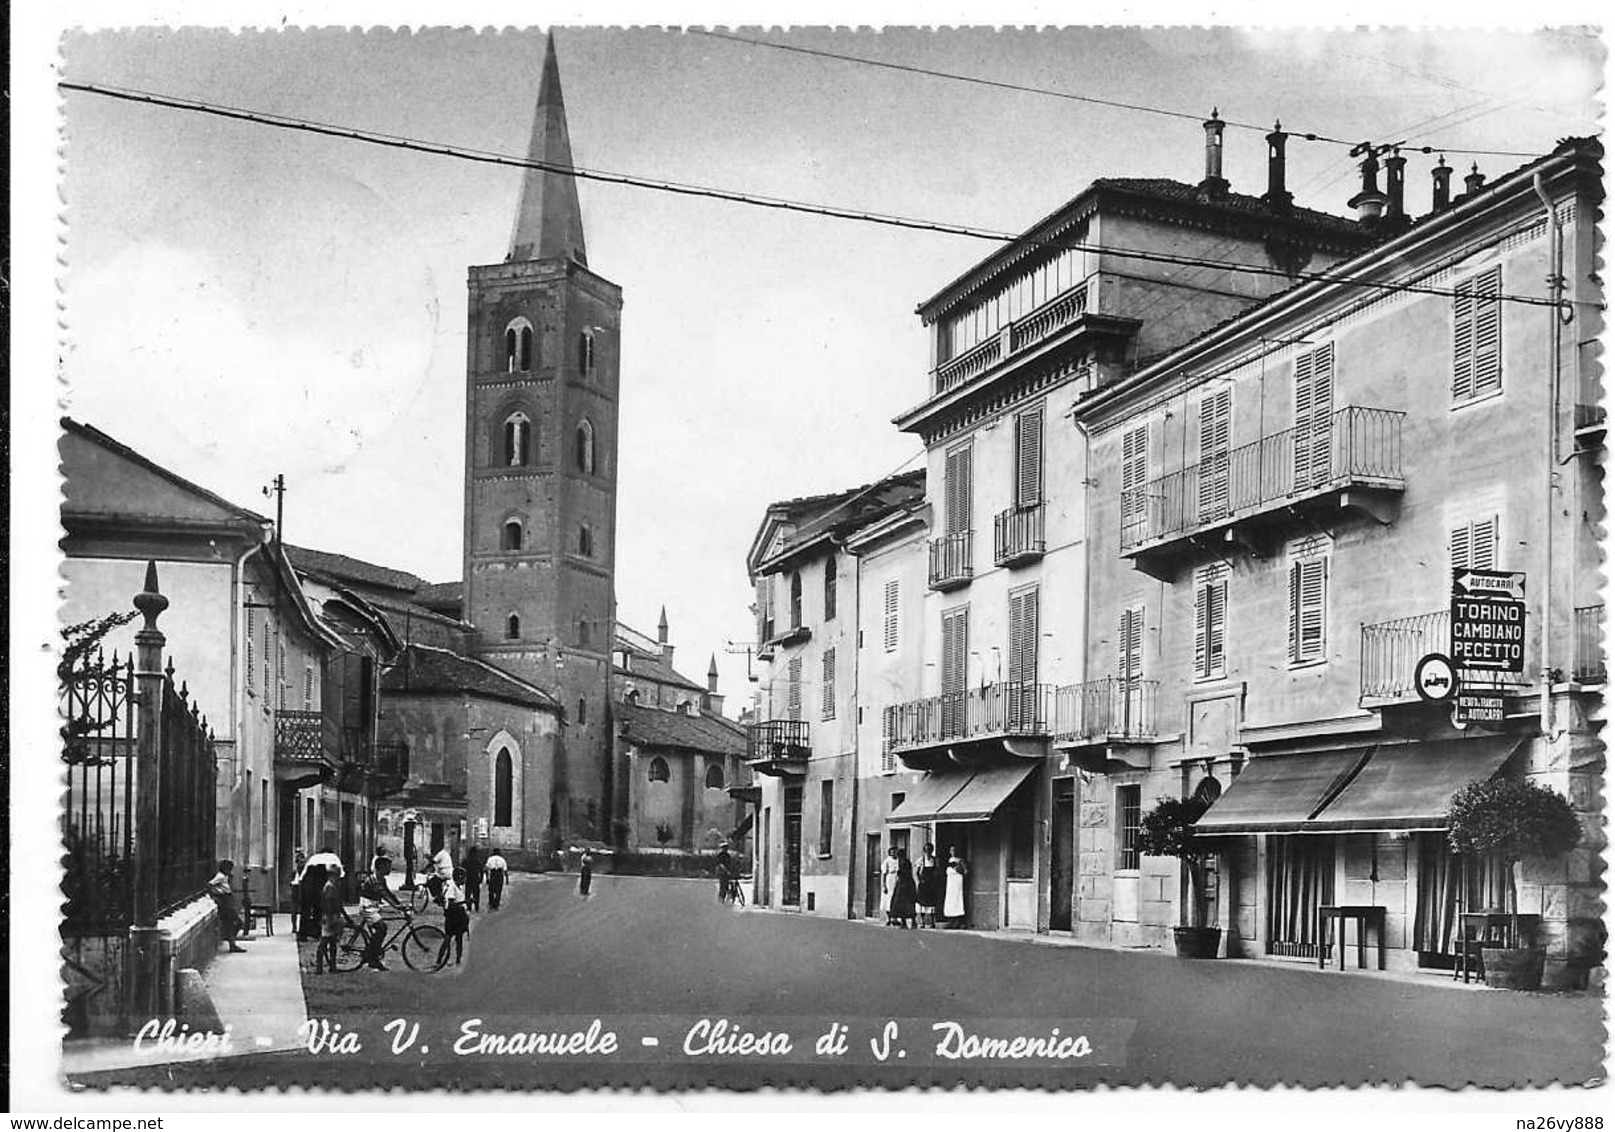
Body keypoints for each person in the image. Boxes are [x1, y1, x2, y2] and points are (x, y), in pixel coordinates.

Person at [358, 856, 407, 971]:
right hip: (367, 906)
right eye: (387, 866)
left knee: (381, 929)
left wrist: (399, 904)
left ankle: (373, 953)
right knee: (381, 927)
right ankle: (371, 956)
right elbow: (384, 894)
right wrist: (396, 906)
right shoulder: (374, 879)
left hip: (374, 906)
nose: (390, 869)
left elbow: (389, 893)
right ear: (380, 867)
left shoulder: (381, 879)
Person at [296, 846, 342, 942]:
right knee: (320, 908)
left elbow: (302, 875)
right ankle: (318, 933)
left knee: (306, 910)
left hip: (308, 882)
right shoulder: (334, 857)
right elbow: (340, 874)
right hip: (322, 881)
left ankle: (303, 934)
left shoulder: (314, 857)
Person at [315, 862, 350, 974]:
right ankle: (320, 967)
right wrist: (332, 918)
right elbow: (329, 904)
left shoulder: (332, 886)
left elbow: (338, 904)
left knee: (332, 943)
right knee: (325, 942)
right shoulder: (330, 887)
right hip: (329, 917)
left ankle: (331, 966)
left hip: (332, 916)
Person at [206, 860, 247, 952]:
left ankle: (231, 941)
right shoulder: (220, 876)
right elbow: (210, 885)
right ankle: (230, 940)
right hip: (225, 900)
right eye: (230, 869)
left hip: (227, 899)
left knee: (231, 923)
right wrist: (216, 894)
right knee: (236, 922)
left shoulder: (224, 876)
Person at [438, 868, 470, 966]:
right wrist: (465, 902)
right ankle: (440, 959)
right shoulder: (452, 887)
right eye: (464, 878)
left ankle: (458, 959)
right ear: (460, 877)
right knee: (448, 938)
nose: (465, 880)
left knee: (458, 939)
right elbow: (451, 904)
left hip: (458, 916)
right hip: (453, 916)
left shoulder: (457, 887)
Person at [890, 850, 918, 929]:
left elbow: (903, 872)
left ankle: (906, 922)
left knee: (901, 903)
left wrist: (899, 872)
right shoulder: (906, 862)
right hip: (908, 883)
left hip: (903, 884)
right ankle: (910, 922)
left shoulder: (903, 863)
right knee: (908, 903)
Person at [915, 844, 941, 930]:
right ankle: (921, 921)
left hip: (932, 883)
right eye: (926, 850)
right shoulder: (921, 860)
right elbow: (917, 872)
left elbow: (937, 870)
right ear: (924, 851)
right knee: (922, 902)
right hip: (923, 883)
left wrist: (935, 879)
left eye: (930, 850)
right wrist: (920, 880)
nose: (928, 851)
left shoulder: (934, 860)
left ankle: (932, 922)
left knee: (932, 902)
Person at [943, 848, 967, 928]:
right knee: (950, 900)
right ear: (949, 851)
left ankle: (959, 921)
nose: (953, 852)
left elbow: (966, 871)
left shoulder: (960, 860)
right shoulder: (949, 860)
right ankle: (951, 921)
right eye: (952, 850)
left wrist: (958, 869)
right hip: (950, 884)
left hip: (957, 883)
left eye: (955, 850)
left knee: (957, 900)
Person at [879, 846, 901, 926]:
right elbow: (884, 874)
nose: (893, 854)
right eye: (891, 852)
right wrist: (884, 885)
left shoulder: (899, 860)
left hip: (897, 879)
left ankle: (895, 918)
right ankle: (888, 918)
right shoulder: (887, 861)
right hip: (890, 880)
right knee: (888, 899)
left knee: (897, 899)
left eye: (895, 852)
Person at [463, 846, 484, 912]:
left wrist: (463, 878)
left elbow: (462, 870)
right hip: (475, 879)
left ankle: (468, 907)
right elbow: (481, 871)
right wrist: (481, 879)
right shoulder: (477, 861)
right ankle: (476, 907)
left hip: (468, 879)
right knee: (476, 894)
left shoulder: (466, 860)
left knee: (468, 893)